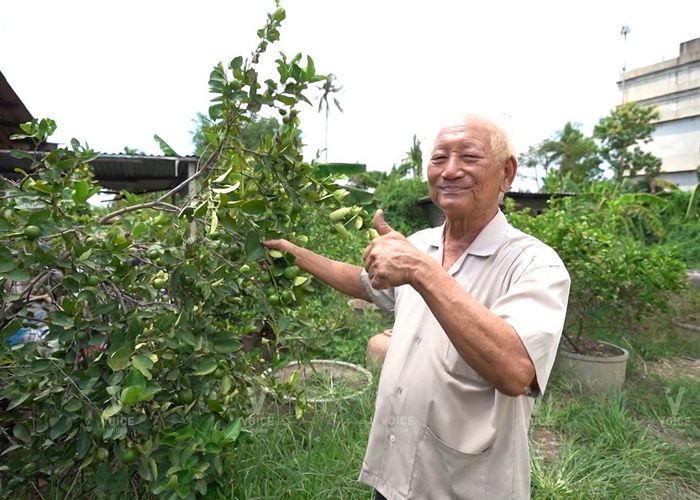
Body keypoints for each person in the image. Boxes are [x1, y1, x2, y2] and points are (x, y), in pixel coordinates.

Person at [264, 115, 570, 499]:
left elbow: (515, 371)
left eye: (469, 157)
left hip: (467, 484)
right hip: (395, 472)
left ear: (506, 173)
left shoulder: (533, 264)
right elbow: (362, 282)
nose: (451, 170)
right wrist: (296, 257)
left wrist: (421, 270)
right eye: (439, 158)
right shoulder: (421, 244)